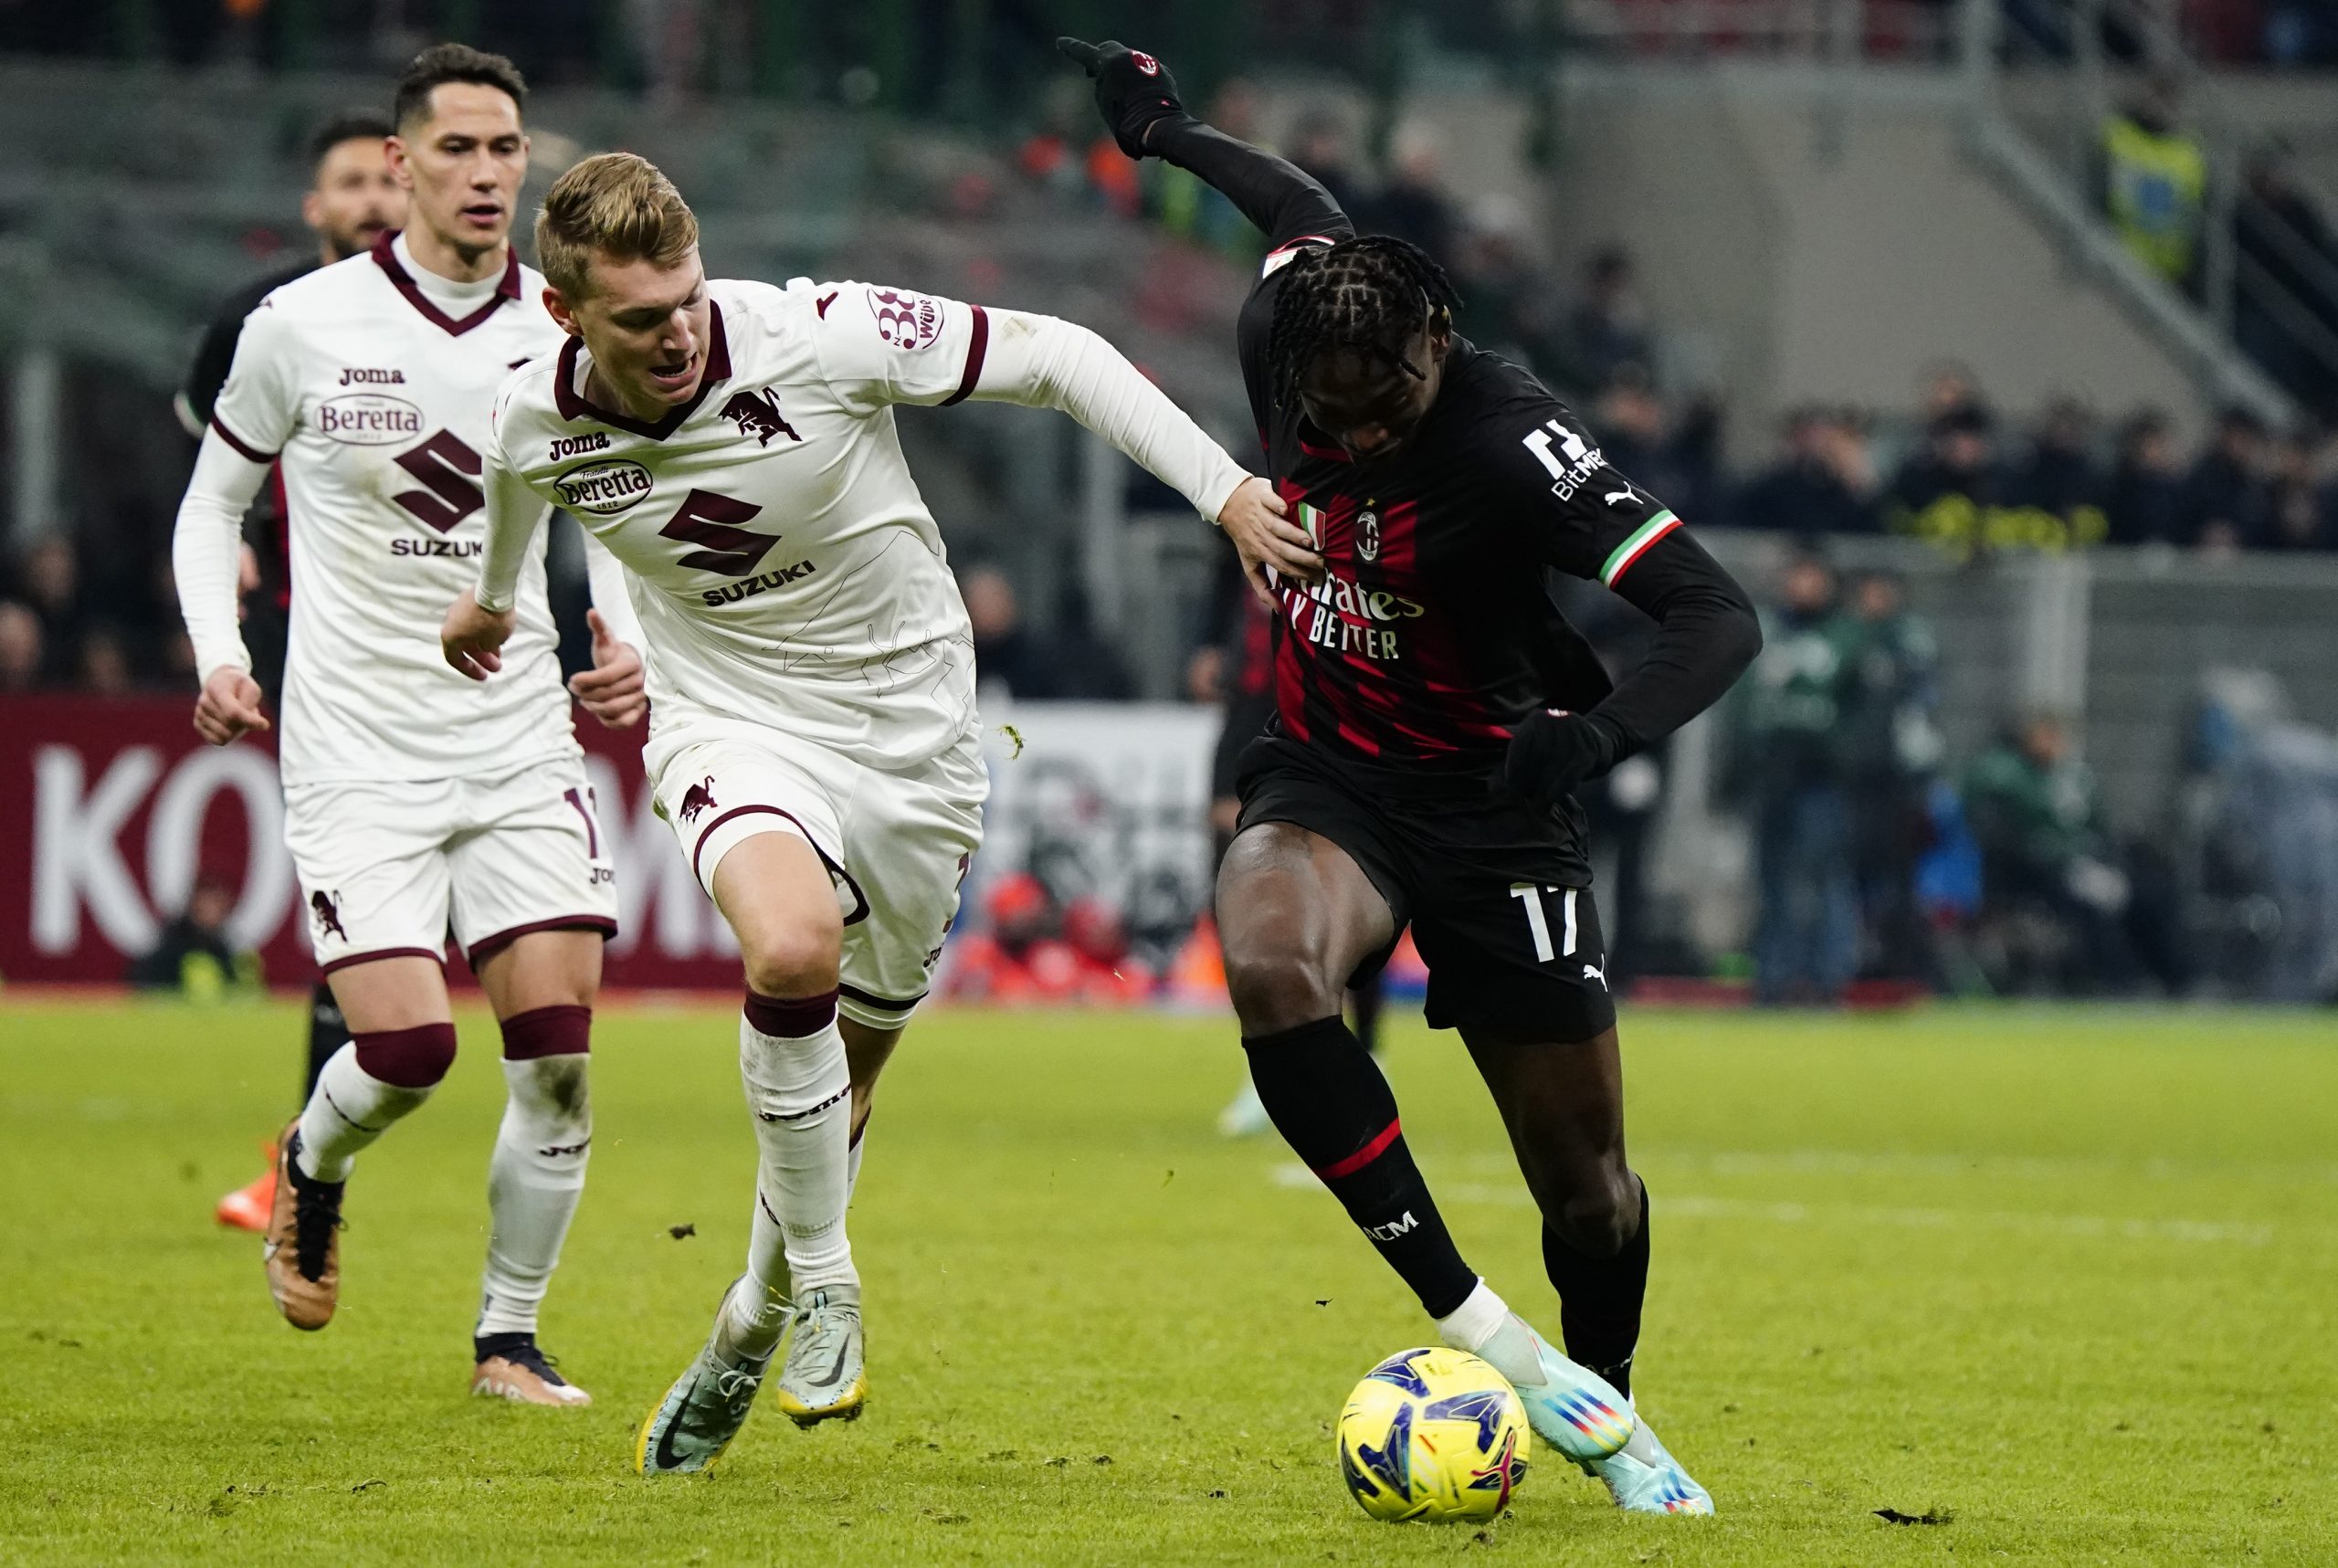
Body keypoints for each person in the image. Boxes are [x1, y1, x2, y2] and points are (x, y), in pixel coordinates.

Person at [439, 150, 1301, 1474]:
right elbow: (517, 484)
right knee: (790, 948)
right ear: (565, 315)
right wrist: (498, 602)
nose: (678, 334)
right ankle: (832, 1280)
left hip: (914, 740)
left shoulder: (820, 335)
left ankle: (752, 1316)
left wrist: (1225, 490)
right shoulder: (530, 412)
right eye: (641, 318)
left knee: (846, 1081)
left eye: (688, 298)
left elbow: (1060, 356)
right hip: (729, 719)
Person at [1058, 37, 1763, 1515]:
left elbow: (1714, 613)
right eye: (1333, 424)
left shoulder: (1517, 444)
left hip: (1500, 804)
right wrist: (1166, 130)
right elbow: (1298, 206)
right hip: (1331, 776)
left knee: (1589, 1190)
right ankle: (1485, 1330)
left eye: (1384, 413)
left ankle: (1610, 1404)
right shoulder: (1299, 327)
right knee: (1268, 961)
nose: (1357, 440)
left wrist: (1596, 736)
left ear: (1437, 341)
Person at [172, 45, 648, 1407]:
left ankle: (510, 1338)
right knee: (407, 1052)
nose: (487, 174)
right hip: (357, 748)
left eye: (506, 150)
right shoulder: (300, 324)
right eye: (457, 149)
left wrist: (623, 631)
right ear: (401, 165)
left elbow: (609, 495)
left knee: (558, 1059)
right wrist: (222, 655)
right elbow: (212, 505)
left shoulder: (564, 325)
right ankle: (311, 1160)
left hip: (517, 738)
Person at [182, 110, 408, 1236]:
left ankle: (313, 1149)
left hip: (451, 642)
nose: (373, 198)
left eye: (386, 178)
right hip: (308, 636)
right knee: (363, 890)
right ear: (316, 205)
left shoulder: (477, 317)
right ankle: (306, 1164)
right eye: (350, 182)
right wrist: (225, 545)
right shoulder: (259, 321)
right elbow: (210, 451)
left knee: (413, 912)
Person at [1733, 553, 1860, 1004]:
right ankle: (1772, 980)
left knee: (1825, 878)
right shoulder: (1766, 631)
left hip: (1822, 778)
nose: (1802, 585)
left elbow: (1863, 711)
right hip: (1770, 774)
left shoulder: (1848, 635)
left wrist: (1843, 758)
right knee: (1771, 882)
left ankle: (1828, 981)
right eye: (1796, 576)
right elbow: (1741, 704)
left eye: (1811, 577)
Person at [127, 874, 263, 998]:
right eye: (207, 904)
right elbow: (144, 988)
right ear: (194, 905)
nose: (212, 911)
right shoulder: (170, 948)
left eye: (217, 904)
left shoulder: (228, 949)